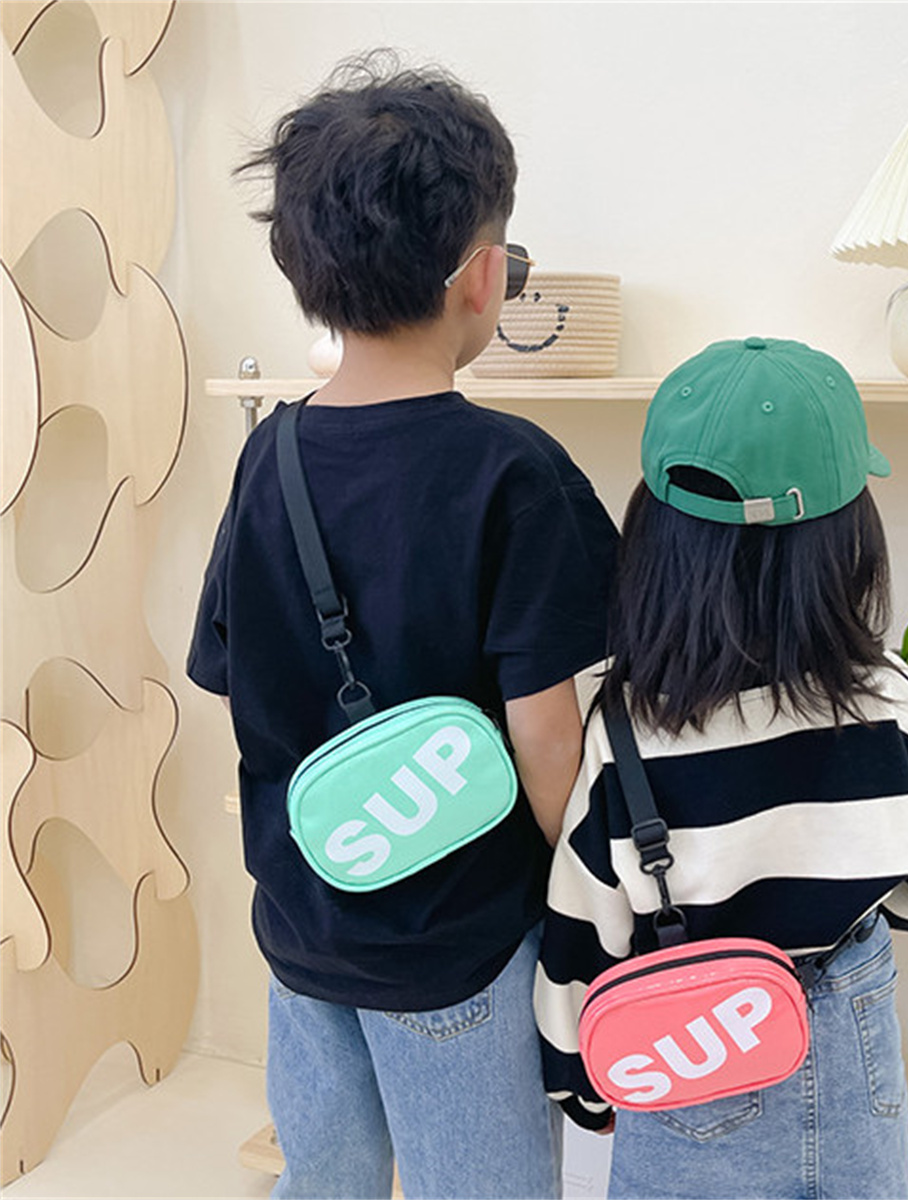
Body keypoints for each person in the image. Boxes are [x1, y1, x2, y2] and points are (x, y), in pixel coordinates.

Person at [187, 52, 619, 1200]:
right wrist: (591, 896)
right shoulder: (514, 473)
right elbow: (548, 737)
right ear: (481, 277)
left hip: (302, 921)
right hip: (456, 945)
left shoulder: (266, 456)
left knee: (322, 1175)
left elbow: (232, 672)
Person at [534, 337, 908, 1199]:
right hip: (852, 1053)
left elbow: (581, 939)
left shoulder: (621, 730)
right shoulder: (888, 703)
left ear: (654, 537)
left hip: (688, 1062)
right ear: (849, 544)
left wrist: (581, 1088)